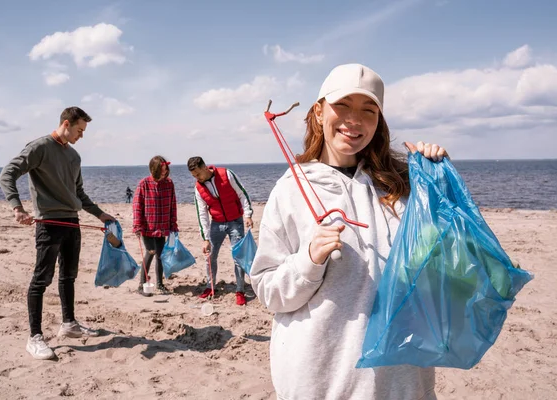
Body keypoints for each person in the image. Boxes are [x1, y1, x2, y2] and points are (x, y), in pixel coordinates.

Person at [250, 64, 448, 399]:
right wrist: (308, 261)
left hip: (400, 381)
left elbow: (442, 267)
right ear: (318, 111)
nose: (354, 120)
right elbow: (268, 291)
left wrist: (438, 185)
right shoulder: (290, 191)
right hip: (321, 380)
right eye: (342, 106)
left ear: (379, 121)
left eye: (368, 111)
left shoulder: (403, 186)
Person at [0, 106, 115, 360]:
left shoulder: (74, 156)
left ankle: (69, 324)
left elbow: (79, 194)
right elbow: (7, 174)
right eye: (80, 130)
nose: (81, 136)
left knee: (68, 276)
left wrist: (100, 214)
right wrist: (17, 207)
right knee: (41, 280)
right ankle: (35, 337)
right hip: (48, 223)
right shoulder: (39, 147)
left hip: (72, 222)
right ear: (66, 123)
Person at [187, 156, 254, 306]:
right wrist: (205, 238)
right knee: (210, 255)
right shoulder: (198, 188)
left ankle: (240, 290)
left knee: (238, 257)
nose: (197, 178)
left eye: (198, 174)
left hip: (236, 221)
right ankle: (210, 286)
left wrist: (248, 215)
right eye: (193, 176)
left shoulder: (226, 174)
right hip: (216, 223)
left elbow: (242, 193)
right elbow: (202, 213)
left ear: (205, 168)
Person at [132, 156, 178, 296]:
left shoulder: (169, 184)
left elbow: (173, 205)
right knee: (150, 252)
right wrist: (137, 225)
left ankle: (160, 284)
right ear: (154, 170)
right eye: (162, 171)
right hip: (148, 226)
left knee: (160, 256)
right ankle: (142, 284)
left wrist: (173, 224)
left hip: (163, 226)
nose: (164, 173)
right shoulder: (144, 184)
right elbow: (137, 206)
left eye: (166, 170)